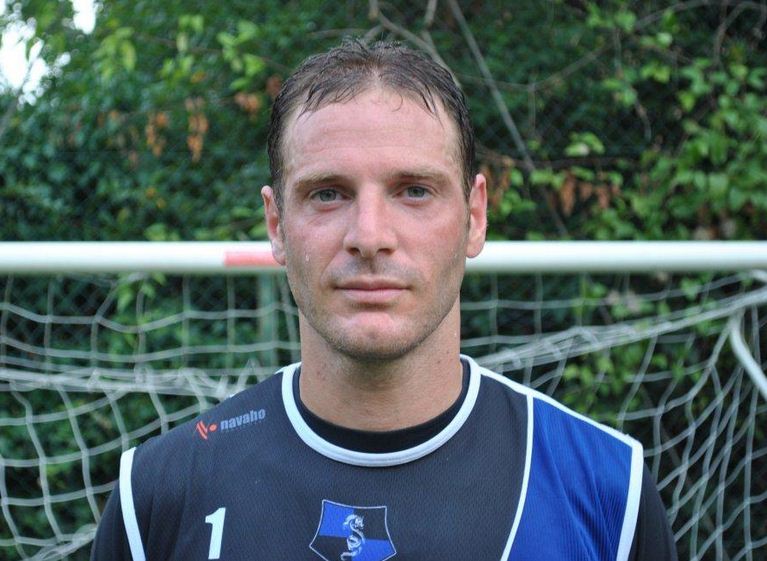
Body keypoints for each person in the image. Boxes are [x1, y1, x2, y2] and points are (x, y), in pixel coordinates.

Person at [91, 40, 677, 561]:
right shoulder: (159, 495)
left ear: (475, 216)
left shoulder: (606, 489)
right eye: (328, 194)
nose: (369, 236)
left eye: (414, 191)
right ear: (276, 225)